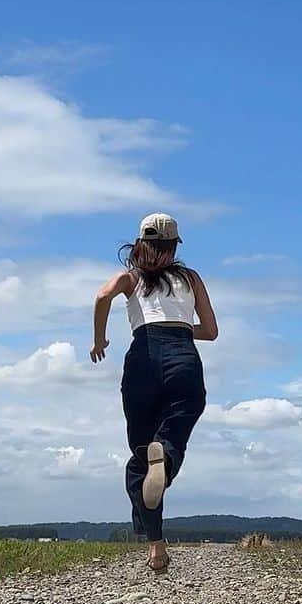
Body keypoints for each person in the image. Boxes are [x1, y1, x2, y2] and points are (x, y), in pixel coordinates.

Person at [90, 213, 218, 573]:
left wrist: (99, 339)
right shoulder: (190, 279)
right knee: (177, 425)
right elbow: (210, 331)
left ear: (140, 244)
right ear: (175, 246)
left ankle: (156, 547)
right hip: (182, 355)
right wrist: (177, 327)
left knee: (140, 456)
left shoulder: (130, 278)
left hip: (142, 358)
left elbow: (102, 296)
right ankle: (169, 458)